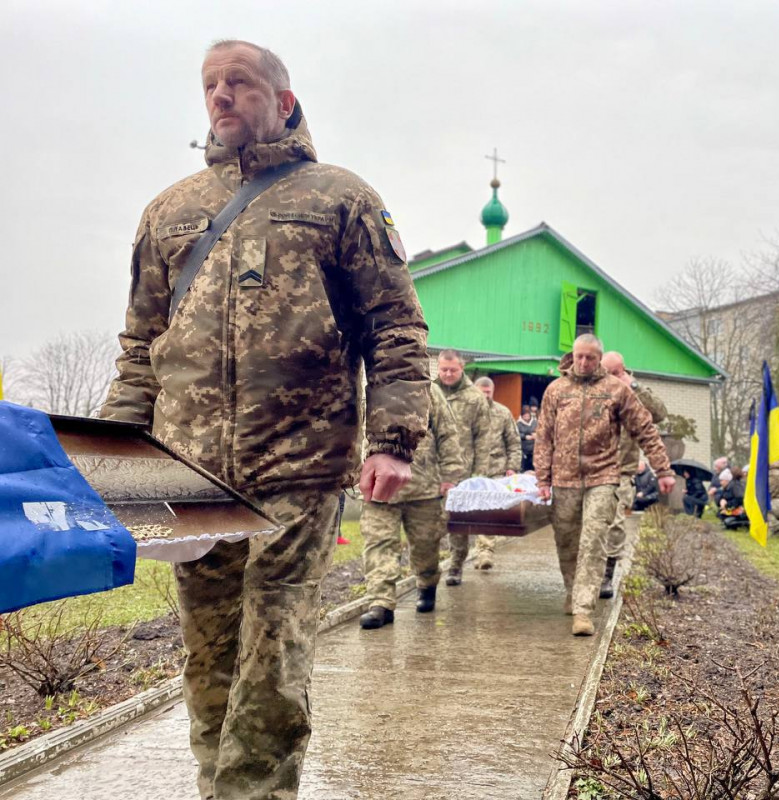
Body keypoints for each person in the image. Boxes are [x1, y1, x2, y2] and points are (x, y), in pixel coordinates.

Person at [99, 40, 431, 800]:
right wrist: (115, 461)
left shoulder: (339, 199)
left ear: (282, 101)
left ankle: (254, 793)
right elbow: (140, 346)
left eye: (239, 83)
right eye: (210, 85)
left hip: (299, 465)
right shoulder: (169, 211)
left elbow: (395, 328)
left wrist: (393, 441)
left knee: (272, 648)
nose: (221, 96)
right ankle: (221, 784)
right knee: (209, 649)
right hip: (187, 471)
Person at [535, 334, 675, 636]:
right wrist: (542, 479)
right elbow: (544, 437)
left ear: (599, 360)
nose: (584, 363)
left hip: (603, 476)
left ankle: (584, 609)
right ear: (572, 356)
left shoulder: (616, 390)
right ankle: (573, 591)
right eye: (579, 356)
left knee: (593, 540)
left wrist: (663, 469)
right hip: (564, 478)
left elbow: (646, 429)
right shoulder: (556, 391)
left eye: (590, 358)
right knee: (567, 541)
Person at [359, 384, 464, 629]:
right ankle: (380, 602)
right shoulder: (366, 387)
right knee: (378, 542)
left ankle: (427, 584)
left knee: (426, 545)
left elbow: (448, 434)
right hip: (377, 486)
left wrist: (450, 475)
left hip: (423, 487)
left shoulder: (428, 390)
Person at [599, 350, 668, 598]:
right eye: (607, 373)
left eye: (615, 373)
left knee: (615, 523)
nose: (611, 378)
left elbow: (659, 413)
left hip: (622, 470)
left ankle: (607, 576)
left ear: (624, 370)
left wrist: (634, 387)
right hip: (595, 469)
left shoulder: (634, 393)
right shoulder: (598, 390)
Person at [434, 349, 492, 586]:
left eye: (453, 370)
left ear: (462, 369)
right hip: (430, 472)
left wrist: (479, 475)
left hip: (462, 474)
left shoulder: (475, 398)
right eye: (443, 369)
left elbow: (484, 438)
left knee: (457, 524)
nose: (447, 374)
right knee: (429, 524)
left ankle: (456, 565)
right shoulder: (429, 392)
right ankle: (428, 569)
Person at [470, 377, 522, 570]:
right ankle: (457, 560)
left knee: (487, 510)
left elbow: (514, 443)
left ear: (492, 392)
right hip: (469, 470)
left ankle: (485, 551)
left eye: (487, 393)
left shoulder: (502, 413)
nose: (484, 397)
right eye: (480, 393)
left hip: (495, 470)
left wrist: (512, 467)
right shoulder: (464, 413)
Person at [517, 405, 537, 472]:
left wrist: (536, 435)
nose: (527, 418)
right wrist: (525, 437)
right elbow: (516, 434)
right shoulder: (518, 424)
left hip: (533, 448)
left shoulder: (535, 422)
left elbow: (540, 431)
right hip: (524, 448)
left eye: (528, 416)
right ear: (522, 416)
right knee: (524, 467)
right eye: (525, 416)